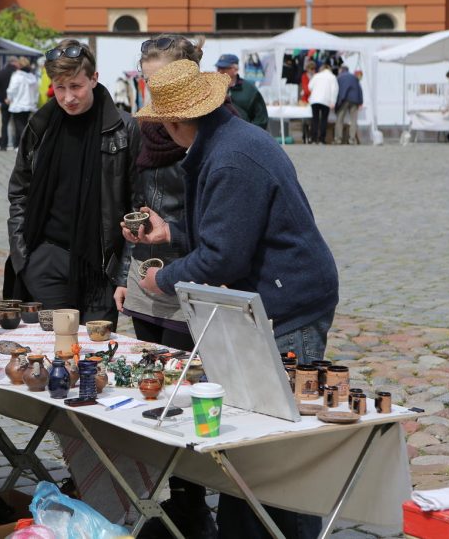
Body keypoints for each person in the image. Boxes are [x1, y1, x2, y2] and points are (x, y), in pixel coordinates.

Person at [126, 59, 339, 539]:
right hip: (274, 296)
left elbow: (222, 257)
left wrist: (164, 280)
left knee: (278, 441)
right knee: (252, 432)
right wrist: (171, 233)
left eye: (163, 125)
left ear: (180, 122)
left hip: (291, 301)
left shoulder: (230, 156)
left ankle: (287, 531)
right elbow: (227, 231)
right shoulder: (224, 143)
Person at [114, 34, 218, 539]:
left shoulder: (203, 135)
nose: (150, 93)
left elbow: (215, 224)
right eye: (145, 81)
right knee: (151, 387)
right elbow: (130, 198)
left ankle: (194, 503)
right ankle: (165, 493)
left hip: (190, 274)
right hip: (144, 273)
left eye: (158, 82)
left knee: (188, 388)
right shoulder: (143, 130)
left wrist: (172, 238)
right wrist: (123, 270)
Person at [5, 39, 140, 329]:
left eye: (76, 86)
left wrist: (125, 273)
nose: (68, 98)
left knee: (94, 360)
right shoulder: (39, 126)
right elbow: (19, 192)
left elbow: (137, 207)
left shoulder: (124, 129)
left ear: (94, 78)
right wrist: (24, 257)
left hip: (100, 268)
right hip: (45, 261)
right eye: (60, 87)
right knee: (53, 353)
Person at [215, 53, 269, 131]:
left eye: (223, 68)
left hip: (244, 135)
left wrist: (251, 134)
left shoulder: (250, 90)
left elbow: (261, 118)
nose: (219, 71)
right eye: (218, 68)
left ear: (235, 70)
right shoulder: (213, 89)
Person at [5, 57, 39, 149]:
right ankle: (21, 145)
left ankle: (23, 146)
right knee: (24, 125)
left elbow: (12, 89)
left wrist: (9, 98)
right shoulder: (32, 77)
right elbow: (36, 91)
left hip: (18, 104)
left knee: (19, 126)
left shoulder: (17, 76)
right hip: (28, 105)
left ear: (19, 65)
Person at [308, 63, 338, 144]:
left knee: (315, 119)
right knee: (324, 120)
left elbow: (310, 87)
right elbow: (334, 90)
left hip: (315, 100)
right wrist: (333, 102)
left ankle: (313, 138)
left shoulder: (316, 75)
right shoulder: (332, 77)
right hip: (326, 100)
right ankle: (321, 139)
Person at [0, 56, 20, 151]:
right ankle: (16, 145)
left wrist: (2, 99)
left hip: (4, 102)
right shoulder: (18, 73)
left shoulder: (0, 73)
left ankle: (3, 145)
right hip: (16, 102)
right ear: (13, 63)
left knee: (4, 124)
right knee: (17, 124)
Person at [334, 65, 363, 145]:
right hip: (355, 100)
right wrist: (361, 102)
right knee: (353, 120)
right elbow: (359, 89)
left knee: (340, 119)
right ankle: (352, 139)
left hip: (344, 99)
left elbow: (337, 90)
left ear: (341, 70)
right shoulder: (354, 77)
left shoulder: (339, 78)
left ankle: (338, 139)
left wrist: (337, 103)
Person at [300, 60, 316, 142]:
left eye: (313, 69)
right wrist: (311, 91)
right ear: (307, 69)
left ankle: (310, 136)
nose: (312, 70)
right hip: (305, 100)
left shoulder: (316, 76)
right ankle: (304, 136)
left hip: (313, 100)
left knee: (312, 120)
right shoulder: (304, 76)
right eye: (311, 69)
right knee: (304, 120)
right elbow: (305, 88)